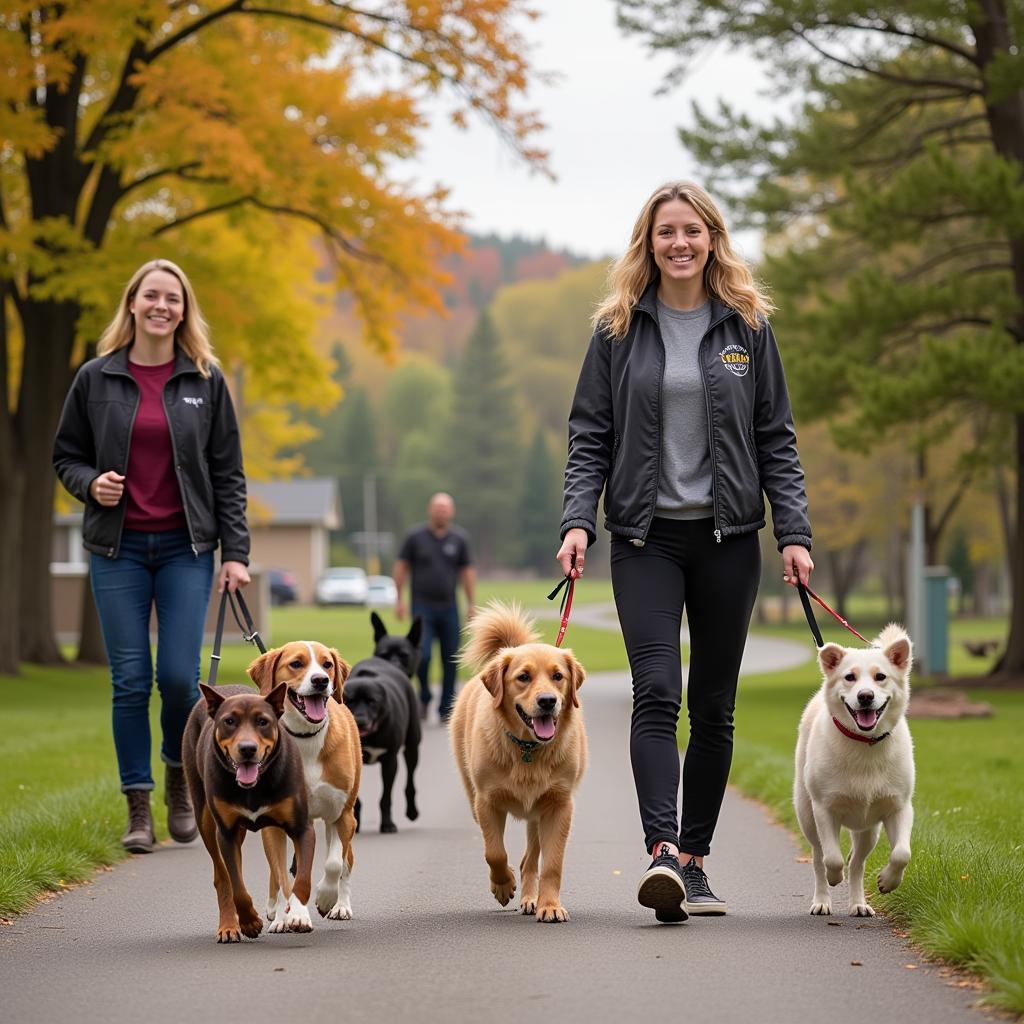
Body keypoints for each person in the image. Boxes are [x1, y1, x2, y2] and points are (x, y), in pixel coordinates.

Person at [556, 182, 814, 923]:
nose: (679, 243)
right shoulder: (616, 330)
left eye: (691, 231)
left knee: (714, 707)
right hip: (645, 538)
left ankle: (697, 862)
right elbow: (588, 437)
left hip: (729, 538)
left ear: (712, 239)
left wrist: (793, 533)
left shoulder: (747, 328)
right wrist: (578, 521)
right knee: (658, 689)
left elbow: (778, 442)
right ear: (648, 241)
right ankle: (662, 851)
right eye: (666, 231)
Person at [53, 258, 251, 854]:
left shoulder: (206, 380)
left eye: (174, 298)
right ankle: (138, 808)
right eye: (152, 296)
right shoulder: (96, 377)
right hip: (118, 550)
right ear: (133, 304)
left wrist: (234, 553)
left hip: (186, 549)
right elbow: (66, 455)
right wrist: (90, 483)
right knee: (130, 681)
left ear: (184, 311)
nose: (162, 306)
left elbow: (228, 474)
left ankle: (178, 780)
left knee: (178, 679)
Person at [393, 492, 476, 723]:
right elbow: (401, 567)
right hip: (422, 608)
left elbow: (466, 572)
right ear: (430, 510)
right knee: (424, 655)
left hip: (449, 608)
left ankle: (446, 707)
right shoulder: (415, 537)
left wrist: (471, 604)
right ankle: (425, 696)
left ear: (451, 511)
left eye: (445, 508)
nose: (441, 511)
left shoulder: (459, 539)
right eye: (437, 507)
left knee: (451, 659)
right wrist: (399, 599)